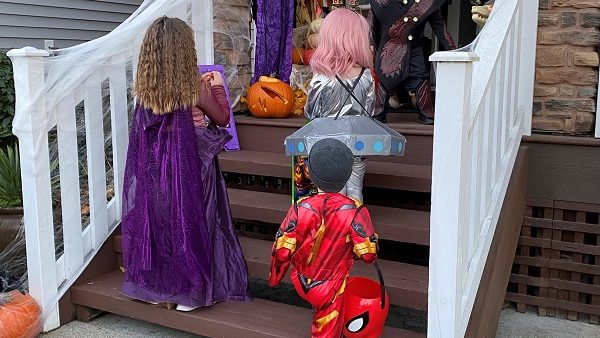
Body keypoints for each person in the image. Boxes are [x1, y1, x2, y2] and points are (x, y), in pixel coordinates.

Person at [120, 16, 250, 312]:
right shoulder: (193, 87)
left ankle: (162, 288)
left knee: (165, 225)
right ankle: (191, 292)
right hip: (193, 166)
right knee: (195, 222)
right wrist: (217, 88)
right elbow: (221, 119)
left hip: (157, 171)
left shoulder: (145, 91)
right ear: (184, 51)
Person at [268, 138, 379, 338]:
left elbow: (282, 248)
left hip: (301, 280)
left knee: (321, 314)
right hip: (331, 287)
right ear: (348, 175)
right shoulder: (355, 210)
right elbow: (369, 254)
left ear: (311, 174)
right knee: (326, 329)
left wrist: (275, 278)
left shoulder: (299, 208)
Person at [304, 8, 375, 203]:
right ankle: (355, 228)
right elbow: (370, 113)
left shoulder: (321, 77)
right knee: (355, 190)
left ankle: (332, 231)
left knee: (328, 195)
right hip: (357, 145)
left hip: (326, 146)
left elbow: (311, 113)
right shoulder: (367, 76)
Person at [369, 0, 456, 124]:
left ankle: (426, 112)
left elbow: (440, 26)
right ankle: (379, 112)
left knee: (420, 78)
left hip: (414, 50)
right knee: (383, 87)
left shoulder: (427, 2)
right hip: (388, 49)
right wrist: (370, 45)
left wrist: (454, 51)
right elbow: (371, 26)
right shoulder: (379, 2)